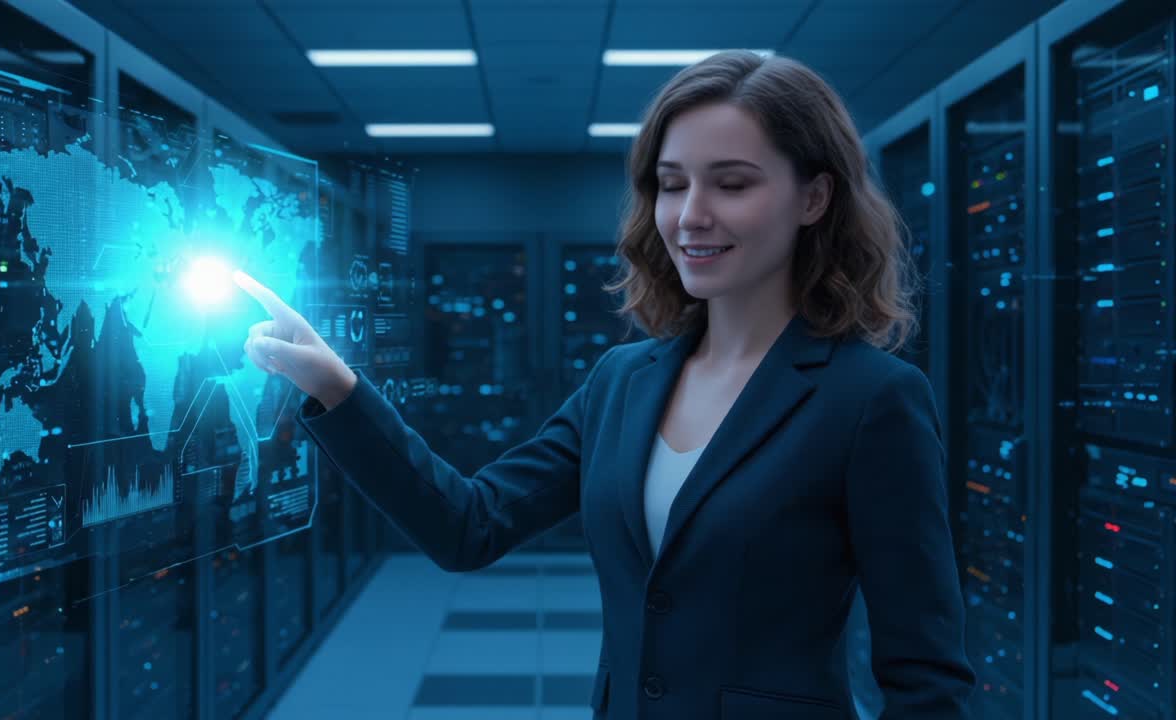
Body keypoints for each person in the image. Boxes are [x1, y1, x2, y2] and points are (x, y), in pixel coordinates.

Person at [235, 49, 975, 720]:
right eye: (671, 183)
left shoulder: (870, 399)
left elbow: (927, 681)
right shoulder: (624, 380)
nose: (691, 216)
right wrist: (333, 384)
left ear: (814, 199)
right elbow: (469, 525)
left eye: (733, 183)